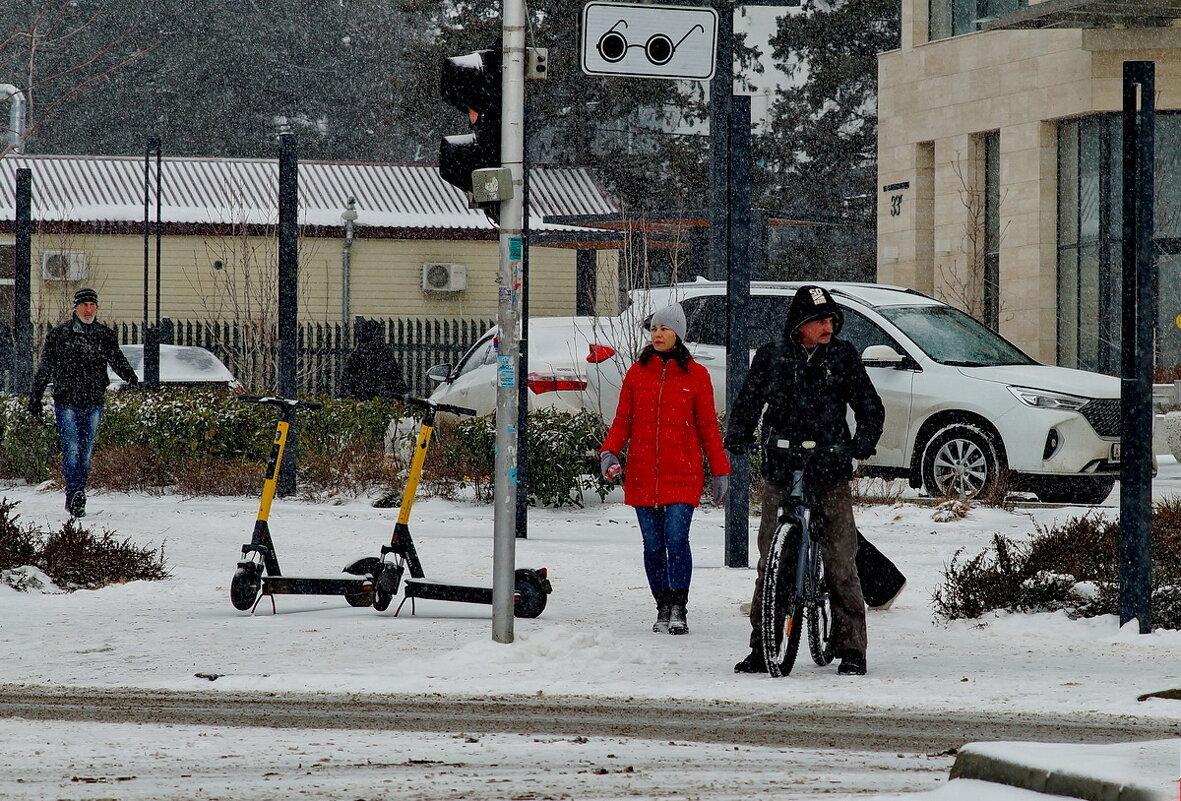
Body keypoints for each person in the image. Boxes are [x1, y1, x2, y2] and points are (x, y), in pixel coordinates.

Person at [725, 285, 884, 676]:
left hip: (829, 467)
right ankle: (763, 646)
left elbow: (870, 406)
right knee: (770, 561)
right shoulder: (772, 357)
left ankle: (851, 648)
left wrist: (862, 441)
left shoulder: (843, 357)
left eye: (831, 320)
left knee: (840, 560)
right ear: (800, 326)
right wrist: (739, 432)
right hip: (782, 465)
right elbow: (748, 401)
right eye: (820, 321)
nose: (828, 326)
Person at [600, 303, 730, 636]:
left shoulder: (697, 376)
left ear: (678, 335)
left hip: (682, 473)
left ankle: (678, 608)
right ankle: (661, 604)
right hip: (644, 474)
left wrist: (720, 470)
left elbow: (708, 429)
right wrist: (609, 451)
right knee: (653, 545)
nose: (657, 334)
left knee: (676, 538)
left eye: (665, 329)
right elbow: (623, 420)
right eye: (654, 329)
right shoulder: (636, 373)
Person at [28, 287, 139, 517]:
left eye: (92, 305)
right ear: (75, 307)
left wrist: (130, 376)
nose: (88, 310)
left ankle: (77, 493)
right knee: (72, 449)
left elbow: (116, 358)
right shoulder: (60, 335)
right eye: (84, 305)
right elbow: (46, 367)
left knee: (86, 451)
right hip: (67, 399)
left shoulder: (103, 334)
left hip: (93, 400)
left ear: (96, 308)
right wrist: (36, 397)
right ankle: (75, 493)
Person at [341, 318, 408, 400]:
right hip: (382, 399)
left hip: (361, 399)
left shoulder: (356, 355)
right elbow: (396, 378)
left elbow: (347, 379)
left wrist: (347, 396)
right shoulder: (385, 354)